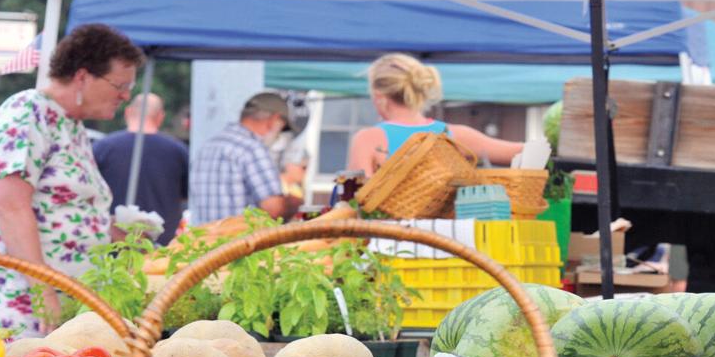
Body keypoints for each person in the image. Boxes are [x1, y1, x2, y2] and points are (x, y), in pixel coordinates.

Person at [0, 23, 143, 336]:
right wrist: (42, 289)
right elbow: (11, 207)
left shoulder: (70, 124)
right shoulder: (27, 112)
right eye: (119, 85)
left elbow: (65, 209)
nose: (126, 95)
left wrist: (126, 237)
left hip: (59, 293)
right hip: (17, 296)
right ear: (83, 76)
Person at [346, 53, 523, 176]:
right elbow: (522, 152)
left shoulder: (367, 139)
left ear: (379, 96)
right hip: (443, 230)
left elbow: (358, 201)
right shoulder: (454, 134)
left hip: (387, 230)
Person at [92, 92, 190, 244]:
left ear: (128, 112)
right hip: (161, 248)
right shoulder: (178, 150)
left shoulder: (102, 148)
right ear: (160, 117)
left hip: (112, 244)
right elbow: (186, 195)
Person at [189, 92, 302, 223]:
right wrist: (296, 201)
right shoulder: (252, 149)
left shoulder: (207, 147)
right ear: (273, 120)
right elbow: (274, 209)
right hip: (241, 240)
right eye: (282, 128)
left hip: (205, 239)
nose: (279, 135)